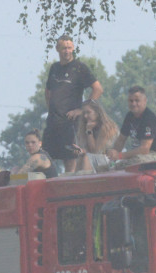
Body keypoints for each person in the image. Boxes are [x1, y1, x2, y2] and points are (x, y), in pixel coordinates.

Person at [44, 35, 103, 173]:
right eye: (64, 48)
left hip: (70, 122)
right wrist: (51, 108)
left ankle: (69, 183)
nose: (67, 51)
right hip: (53, 120)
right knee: (45, 157)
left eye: (69, 47)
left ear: (73, 48)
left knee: (70, 158)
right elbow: (48, 91)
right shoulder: (54, 68)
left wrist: (82, 110)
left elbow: (98, 89)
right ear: (58, 49)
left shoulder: (79, 68)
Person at [108, 86, 156, 164]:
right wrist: (113, 155)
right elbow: (121, 140)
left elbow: (144, 149)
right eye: (131, 101)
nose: (133, 104)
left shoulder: (149, 118)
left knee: (132, 164)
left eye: (137, 100)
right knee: (105, 166)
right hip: (140, 155)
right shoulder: (129, 116)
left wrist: (120, 156)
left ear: (145, 101)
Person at [73, 100, 119, 172]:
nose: (85, 116)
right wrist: (81, 151)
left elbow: (96, 151)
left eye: (88, 112)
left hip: (111, 162)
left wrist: (89, 131)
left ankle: (87, 182)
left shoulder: (107, 128)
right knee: (81, 159)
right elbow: (89, 151)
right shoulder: (84, 127)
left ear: (97, 113)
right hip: (97, 159)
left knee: (86, 158)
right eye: (84, 113)